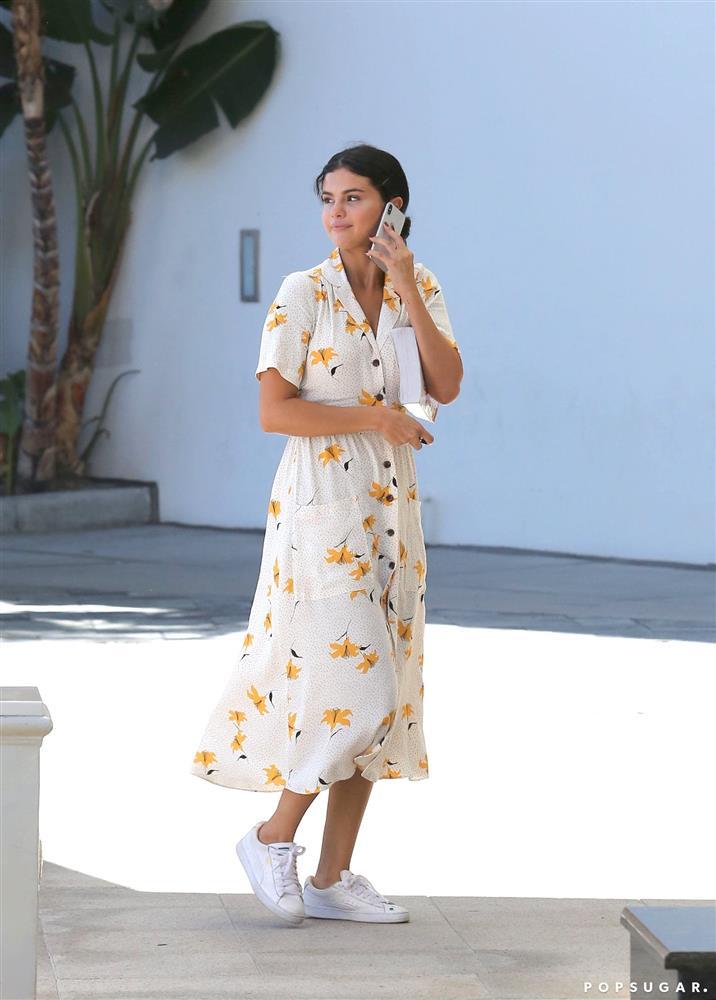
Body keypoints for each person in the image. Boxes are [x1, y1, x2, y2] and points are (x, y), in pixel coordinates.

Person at [191, 143, 463, 925]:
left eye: (354, 197)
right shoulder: (302, 292)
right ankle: (272, 837)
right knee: (353, 685)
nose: (337, 212)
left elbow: (446, 386)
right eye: (328, 199)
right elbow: (274, 411)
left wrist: (406, 284)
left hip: (392, 512)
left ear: (393, 207)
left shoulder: (421, 285)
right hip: (322, 510)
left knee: (386, 692)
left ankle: (332, 877)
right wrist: (375, 418)